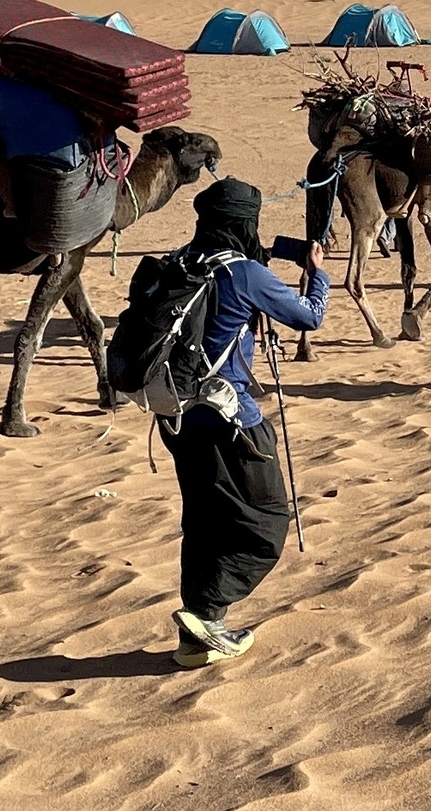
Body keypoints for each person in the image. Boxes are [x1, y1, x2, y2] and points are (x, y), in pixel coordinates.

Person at [164, 178, 328, 669]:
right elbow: (309, 318)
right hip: (232, 419)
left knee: (204, 522)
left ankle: (193, 645)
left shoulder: (179, 262)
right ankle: (208, 616)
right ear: (245, 223)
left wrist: (275, 252)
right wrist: (317, 272)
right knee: (268, 521)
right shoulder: (246, 274)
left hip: (175, 416)